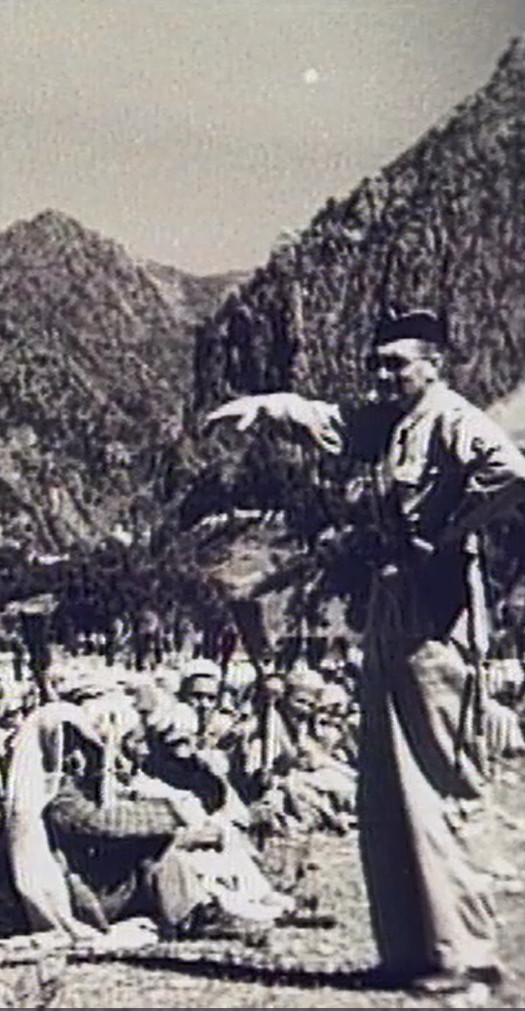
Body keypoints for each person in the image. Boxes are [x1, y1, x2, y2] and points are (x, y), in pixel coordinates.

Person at [206, 307, 525, 993]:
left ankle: (462, 955)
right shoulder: (389, 424)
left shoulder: (451, 419)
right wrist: (264, 406)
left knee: (436, 782)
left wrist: (445, 532)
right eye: (375, 363)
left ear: (433, 364)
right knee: (383, 782)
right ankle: (409, 952)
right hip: (389, 602)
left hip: (435, 611)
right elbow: (327, 421)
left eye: (396, 363)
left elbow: (510, 472)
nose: (382, 374)